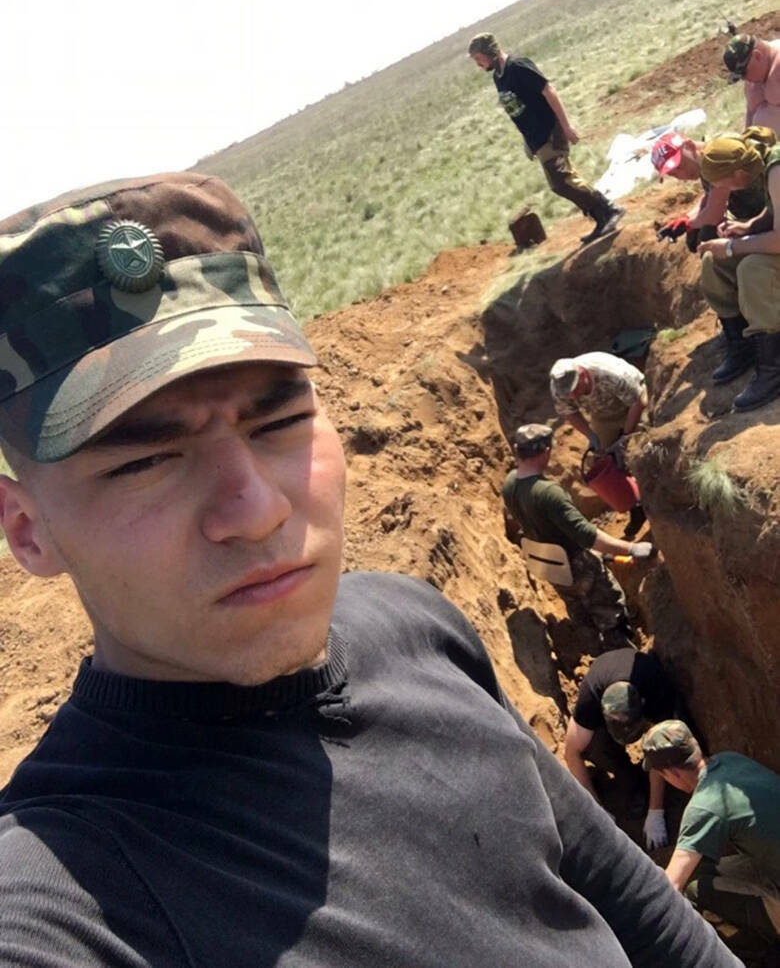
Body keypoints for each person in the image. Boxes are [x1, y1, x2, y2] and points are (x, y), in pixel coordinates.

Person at [0, 174, 739, 967]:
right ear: (27, 530)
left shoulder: (417, 628)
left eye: (280, 420)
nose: (257, 510)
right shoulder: (65, 898)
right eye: (145, 461)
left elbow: (646, 916)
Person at [501, 424, 652, 651]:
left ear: (517, 450)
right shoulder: (548, 493)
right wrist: (630, 549)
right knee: (610, 603)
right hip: (574, 563)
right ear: (546, 451)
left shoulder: (510, 483)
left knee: (577, 606)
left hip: (547, 562)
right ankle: (622, 649)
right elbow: (586, 534)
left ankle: (594, 648)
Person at [468, 32, 624, 244]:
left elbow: (548, 90)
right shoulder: (499, 77)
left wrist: (566, 126)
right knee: (563, 181)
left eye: (479, 59)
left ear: (490, 52)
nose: (478, 64)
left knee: (561, 181)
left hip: (550, 131)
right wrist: (527, 141)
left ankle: (609, 210)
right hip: (537, 138)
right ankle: (601, 219)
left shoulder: (518, 66)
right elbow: (518, 110)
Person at [642, 720, 780, 953]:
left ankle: (753, 949)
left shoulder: (704, 806)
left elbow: (671, 886)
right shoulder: (731, 760)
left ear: (672, 773)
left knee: (694, 890)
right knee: (702, 868)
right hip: (770, 865)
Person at [564, 649, 682, 852]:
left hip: (646, 688)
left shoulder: (656, 690)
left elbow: (661, 750)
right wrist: (597, 811)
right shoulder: (591, 696)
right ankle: (632, 780)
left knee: (666, 745)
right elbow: (571, 752)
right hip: (606, 678)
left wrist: (656, 811)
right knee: (595, 746)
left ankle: (650, 790)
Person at [697, 132, 780, 409]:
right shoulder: (765, 167)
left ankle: (773, 368)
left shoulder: (777, 170)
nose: (720, 189)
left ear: (738, 174)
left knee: (754, 269)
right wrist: (747, 228)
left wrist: (733, 247)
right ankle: (742, 345)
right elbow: (774, 211)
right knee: (714, 262)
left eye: (720, 182)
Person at [549, 352, 647, 539]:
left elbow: (639, 401)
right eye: (568, 393)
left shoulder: (611, 374)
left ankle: (654, 504)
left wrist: (624, 438)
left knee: (640, 455)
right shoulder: (560, 387)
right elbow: (569, 412)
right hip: (603, 416)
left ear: (583, 375)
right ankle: (636, 508)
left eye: (575, 389)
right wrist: (591, 435)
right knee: (605, 463)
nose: (572, 396)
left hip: (631, 407)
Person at [652, 128, 771, 250]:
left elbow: (714, 215)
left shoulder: (717, 157)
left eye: (680, 166)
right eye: (673, 174)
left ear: (689, 146)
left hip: (770, 212)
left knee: (708, 235)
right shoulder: (703, 159)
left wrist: (688, 224)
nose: (681, 175)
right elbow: (711, 195)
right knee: (697, 235)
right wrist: (686, 219)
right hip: (758, 211)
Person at [723, 33, 780, 136]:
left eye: (744, 72)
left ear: (757, 56)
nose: (745, 79)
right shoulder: (754, 81)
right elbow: (750, 112)